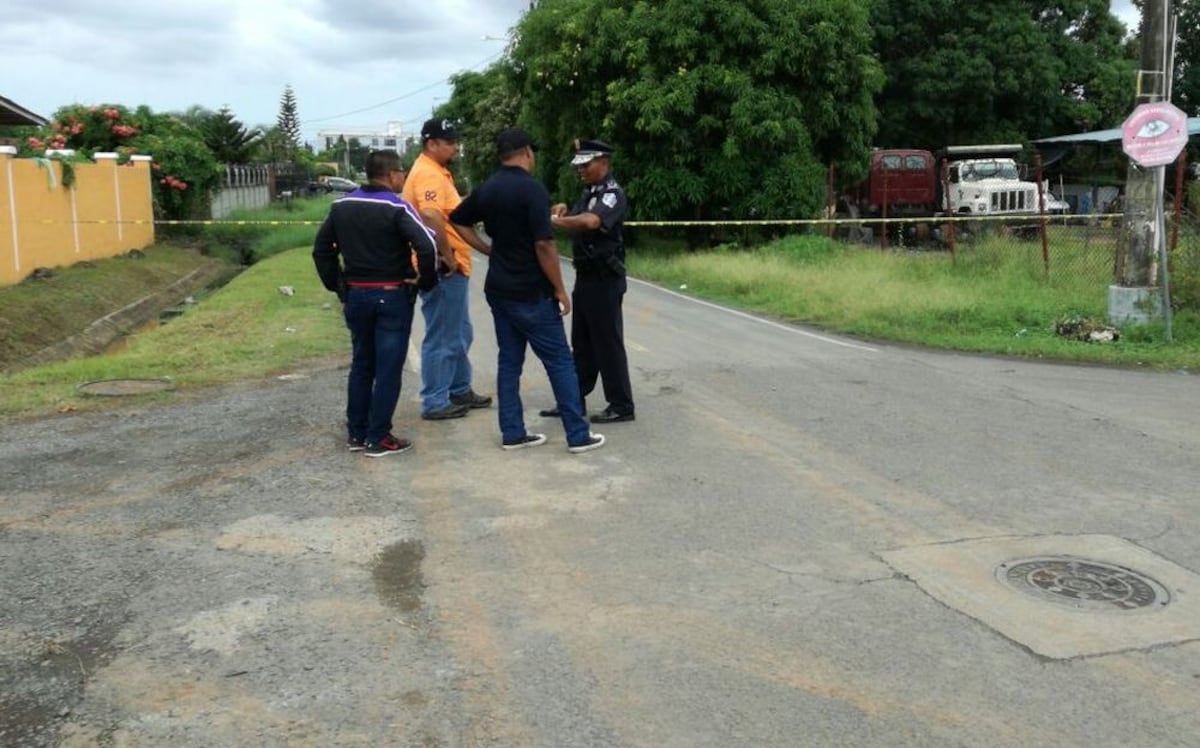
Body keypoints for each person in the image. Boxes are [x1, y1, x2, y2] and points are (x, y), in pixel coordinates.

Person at [449, 127, 605, 454]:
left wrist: (485, 249)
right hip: (531, 292)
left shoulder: (487, 189)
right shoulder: (532, 191)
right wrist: (560, 289)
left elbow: (457, 219)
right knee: (561, 362)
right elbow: (545, 245)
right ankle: (578, 435)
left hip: (500, 289)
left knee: (509, 362)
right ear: (526, 153)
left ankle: (513, 433)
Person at [312, 150, 439, 457]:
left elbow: (321, 250)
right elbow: (427, 244)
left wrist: (338, 286)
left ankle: (356, 433)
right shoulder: (397, 206)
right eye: (402, 174)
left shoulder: (340, 206)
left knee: (362, 364)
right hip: (391, 294)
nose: (403, 178)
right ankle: (379, 436)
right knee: (388, 368)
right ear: (392, 174)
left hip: (356, 294)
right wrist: (426, 280)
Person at [403, 118, 493, 421]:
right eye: (450, 141)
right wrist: (446, 253)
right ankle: (435, 400)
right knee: (442, 335)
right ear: (432, 144)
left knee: (460, 332)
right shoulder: (428, 173)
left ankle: (458, 387)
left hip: (451, 265)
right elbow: (429, 214)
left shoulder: (437, 172)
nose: (456, 146)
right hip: (444, 267)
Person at [539, 138, 635, 424]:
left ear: (603, 162)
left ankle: (621, 404)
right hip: (586, 277)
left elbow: (591, 222)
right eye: (578, 165)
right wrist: (564, 210)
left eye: (586, 164)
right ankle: (573, 399)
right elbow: (579, 217)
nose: (580, 170)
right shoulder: (590, 192)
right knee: (581, 342)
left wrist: (556, 222)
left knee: (608, 342)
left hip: (605, 278)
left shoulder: (611, 194)